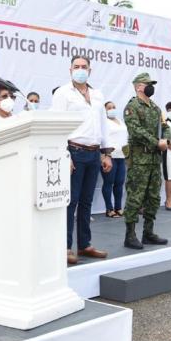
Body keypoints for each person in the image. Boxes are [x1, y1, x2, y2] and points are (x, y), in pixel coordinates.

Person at [51, 55, 111, 265]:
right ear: (70, 70)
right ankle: (65, 247)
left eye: (84, 67)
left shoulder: (97, 94)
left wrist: (106, 153)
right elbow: (56, 125)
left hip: (94, 153)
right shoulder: (62, 93)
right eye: (76, 67)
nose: (80, 70)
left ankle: (84, 245)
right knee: (70, 202)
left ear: (90, 70)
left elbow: (103, 124)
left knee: (87, 202)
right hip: (73, 152)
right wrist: (64, 154)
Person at [122, 73, 170, 249]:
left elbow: (165, 127)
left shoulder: (156, 109)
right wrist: (156, 141)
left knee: (153, 197)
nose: (151, 87)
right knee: (135, 197)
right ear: (138, 86)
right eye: (147, 84)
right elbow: (135, 130)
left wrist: (166, 139)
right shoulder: (132, 107)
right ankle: (130, 235)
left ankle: (148, 233)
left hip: (154, 159)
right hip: (139, 159)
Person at [101, 101, 128, 218]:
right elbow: (101, 139)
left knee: (119, 183)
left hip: (121, 156)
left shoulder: (120, 122)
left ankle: (118, 207)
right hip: (109, 156)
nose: (112, 109)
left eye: (114, 107)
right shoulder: (103, 122)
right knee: (108, 182)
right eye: (109, 108)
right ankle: (109, 209)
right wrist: (104, 156)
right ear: (104, 110)